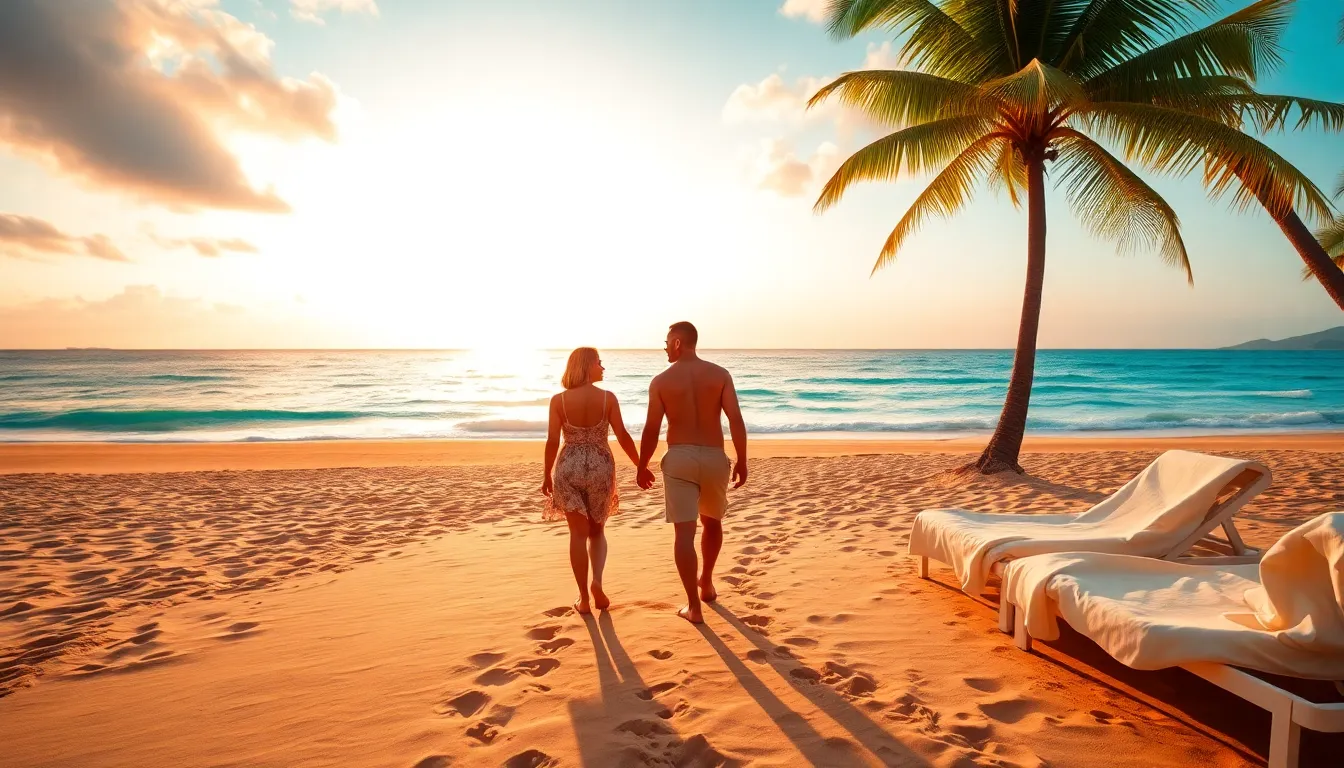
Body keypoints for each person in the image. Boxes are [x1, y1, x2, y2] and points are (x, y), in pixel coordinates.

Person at [636, 322, 748, 624]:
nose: (664, 348)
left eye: (666, 342)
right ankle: (707, 583)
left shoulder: (661, 381)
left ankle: (693, 607)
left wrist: (642, 464)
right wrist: (742, 459)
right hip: (713, 457)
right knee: (713, 523)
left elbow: (651, 428)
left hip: (680, 457)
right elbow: (735, 419)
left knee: (684, 533)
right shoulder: (720, 375)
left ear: (676, 343)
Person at [542, 347, 640, 615]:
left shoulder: (558, 401)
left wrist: (546, 474)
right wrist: (640, 465)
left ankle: (583, 598)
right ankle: (597, 581)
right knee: (597, 532)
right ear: (586, 366)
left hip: (568, 466)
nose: (603, 367)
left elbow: (552, 440)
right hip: (600, 465)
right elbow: (622, 435)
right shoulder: (608, 399)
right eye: (599, 363)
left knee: (577, 534)